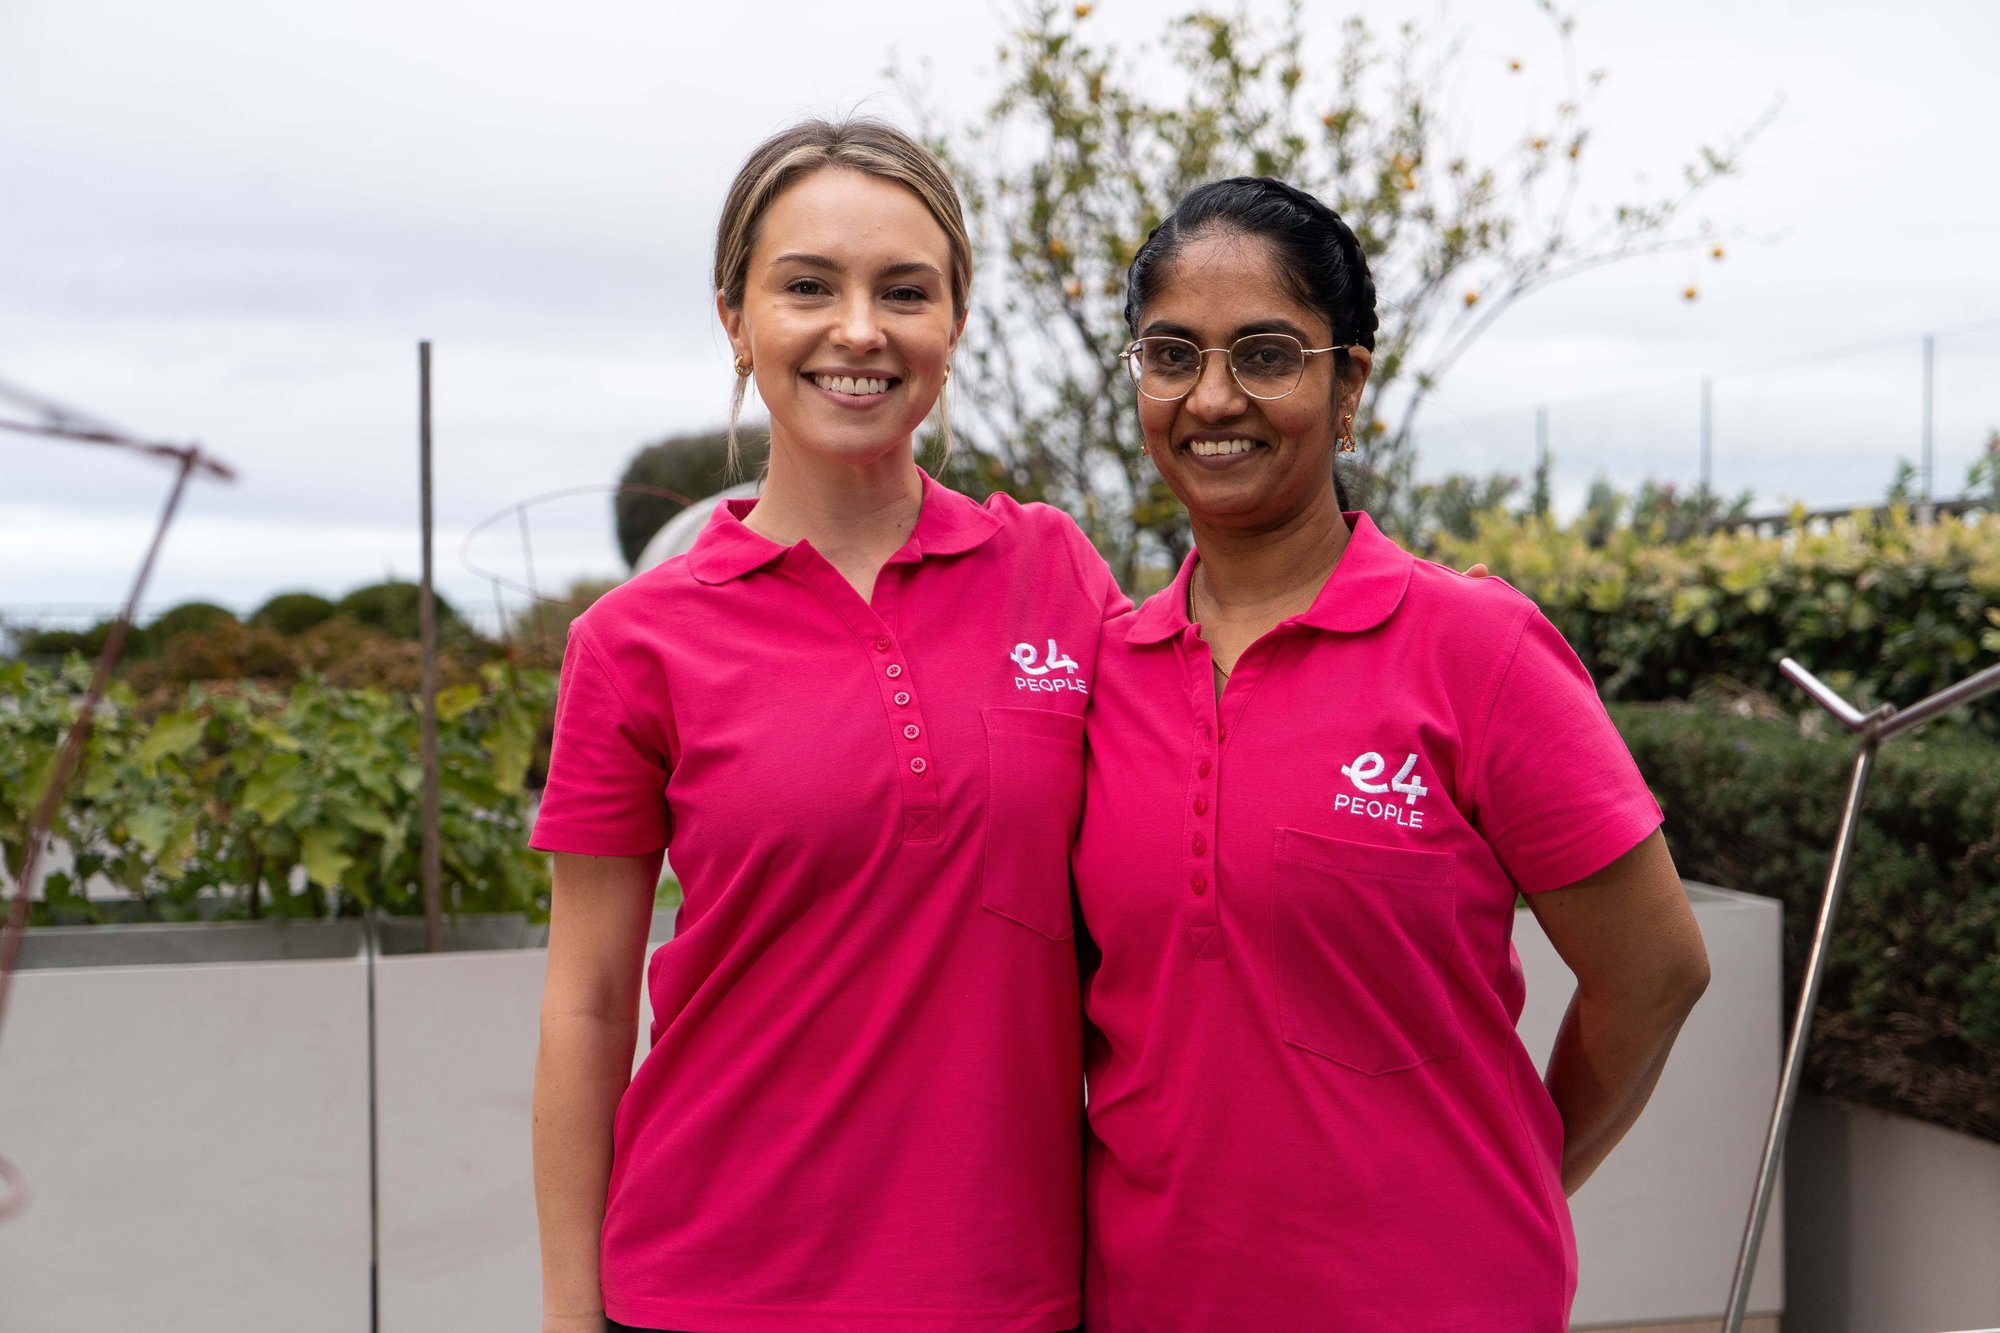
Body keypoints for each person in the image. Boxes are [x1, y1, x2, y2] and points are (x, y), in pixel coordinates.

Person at [1071, 177, 1713, 1331]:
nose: (1211, 396)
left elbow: (1655, 971)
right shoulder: (1102, 672)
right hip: (1147, 1302)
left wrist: (1503, 1175)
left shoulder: (1475, 649)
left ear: (1347, 379)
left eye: (1265, 354)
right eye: (1171, 354)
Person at [530, 118, 1120, 1333]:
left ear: (952, 324)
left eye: (903, 290)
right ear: (735, 322)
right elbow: (586, 1001)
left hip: (1010, 1288)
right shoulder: (634, 642)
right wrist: (565, 1313)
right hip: (708, 1287)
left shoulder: (1054, 572)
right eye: (807, 286)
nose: (859, 329)